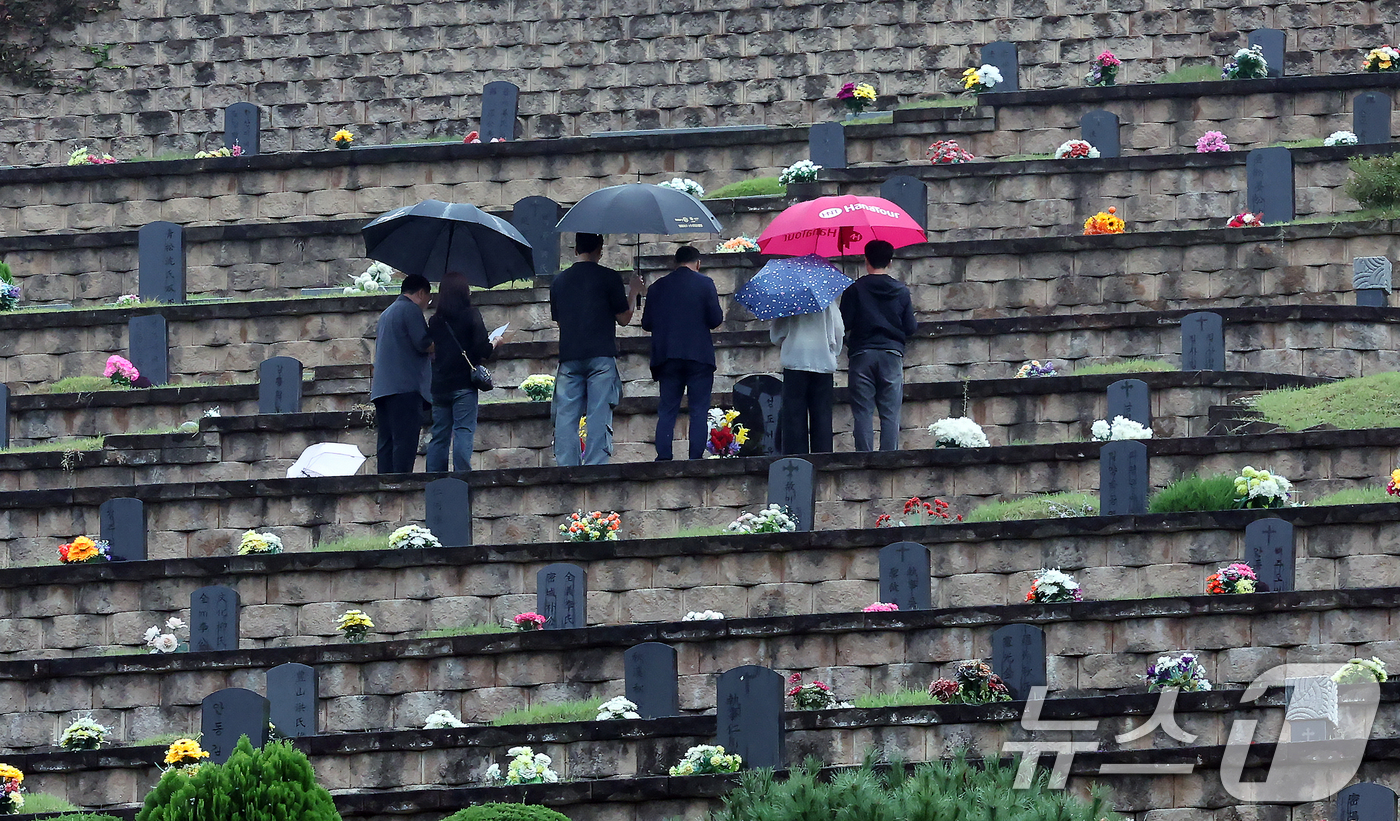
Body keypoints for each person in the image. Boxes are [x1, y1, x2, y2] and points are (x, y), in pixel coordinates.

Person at [549, 233, 644, 466]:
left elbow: (560, 322)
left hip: (569, 355)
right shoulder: (608, 277)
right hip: (601, 355)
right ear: (600, 250)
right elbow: (623, 318)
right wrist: (634, 291)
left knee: (566, 416)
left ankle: (566, 466)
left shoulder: (558, 281)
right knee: (599, 413)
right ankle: (595, 465)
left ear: (575, 250)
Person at [642, 245, 724, 460]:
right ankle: (695, 457)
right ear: (698, 263)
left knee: (667, 409)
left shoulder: (656, 287)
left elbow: (647, 323)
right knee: (698, 409)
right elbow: (716, 320)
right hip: (699, 356)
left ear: (674, 263)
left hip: (667, 356)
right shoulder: (705, 283)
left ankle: (664, 456)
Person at [840, 239, 918, 452]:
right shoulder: (901, 291)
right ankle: (888, 458)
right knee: (890, 413)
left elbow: (843, 324)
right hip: (891, 355)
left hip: (862, 355)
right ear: (890, 262)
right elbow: (910, 327)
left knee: (863, 412)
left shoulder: (855, 289)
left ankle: (864, 457)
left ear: (866, 260)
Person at [426, 271, 506, 472]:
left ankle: (434, 479)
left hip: (440, 386)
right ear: (464, 292)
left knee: (439, 435)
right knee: (463, 431)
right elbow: (482, 350)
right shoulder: (471, 315)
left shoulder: (435, 321)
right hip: (464, 384)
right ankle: (463, 478)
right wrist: (495, 342)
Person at [370, 273, 433, 473]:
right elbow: (423, 344)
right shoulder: (410, 310)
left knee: (387, 443)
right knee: (405, 442)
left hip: (383, 388)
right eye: (428, 299)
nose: (427, 303)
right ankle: (401, 487)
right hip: (405, 388)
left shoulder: (386, 313)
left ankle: (385, 483)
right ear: (421, 293)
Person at [771, 299, 844, 455]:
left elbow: (776, 335)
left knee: (793, 416)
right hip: (822, 361)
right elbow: (838, 329)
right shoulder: (827, 302)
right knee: (822, 415)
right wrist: (833, 350)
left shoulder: (788, 299)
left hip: (795, 360)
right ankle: (823, 457)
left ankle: (796, 459)